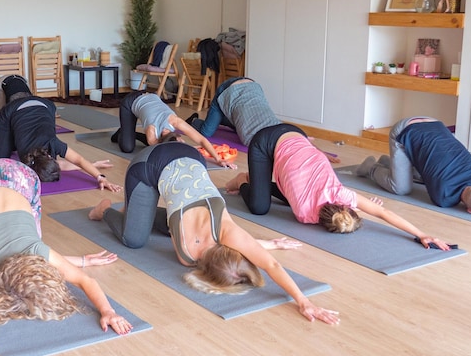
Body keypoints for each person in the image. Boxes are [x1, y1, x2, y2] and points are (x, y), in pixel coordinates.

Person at [89, 142, 339, 324]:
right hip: (147, 165)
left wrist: (304, 300)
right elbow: (269, 263)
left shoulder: (227, 231)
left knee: (163, 226)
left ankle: (138, 212)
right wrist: (304, 302)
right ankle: (104, 210)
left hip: (190, 154)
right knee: (134, 239)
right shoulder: (187, 256)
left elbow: (271, 264)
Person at [0, 159, 132, 334]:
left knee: (32, 237)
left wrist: (107, 310)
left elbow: (85, 280)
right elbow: (83, 279)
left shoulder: (37, 252)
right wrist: (106, 309)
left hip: (21, 178)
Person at [226, 124, 451, 248]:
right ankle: (243, 180)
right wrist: (420, 234)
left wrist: (422, 234)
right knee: (259, 207)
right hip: (266, 141)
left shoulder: (337, 197)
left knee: (280, 199)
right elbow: (382, 213)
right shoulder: (306, 213)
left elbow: (383, 213)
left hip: (297, 134)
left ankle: (256, 182)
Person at [0, 74, 122, 191]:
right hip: (16, 109)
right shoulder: (31, 160)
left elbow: (77, 160)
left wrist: (99, 176)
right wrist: (95, 169)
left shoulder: (50, 146)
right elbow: (71, 162)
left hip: (45, 106)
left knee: (7, 149)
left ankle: (12, 135)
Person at [188, 77, 339, 163]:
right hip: (228, 90)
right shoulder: (256, 138)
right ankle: (195, 121)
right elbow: (295, 136)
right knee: (206, 132)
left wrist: (317, 151)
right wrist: (315, 149)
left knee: (241, 121)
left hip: (252, 86)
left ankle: (219, 117)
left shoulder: (258, 136)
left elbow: (295, 136)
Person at [112, 89, 237, 168]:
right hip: (130, 103)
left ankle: (129, 133)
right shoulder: (151, 132)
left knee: (150, 143)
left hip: (150, 96)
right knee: (127, 148)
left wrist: (218, 159)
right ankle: (122, 133)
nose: (183, 141)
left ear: (177, 135)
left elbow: (201, 140)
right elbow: (159, 152)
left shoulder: (175, 121)